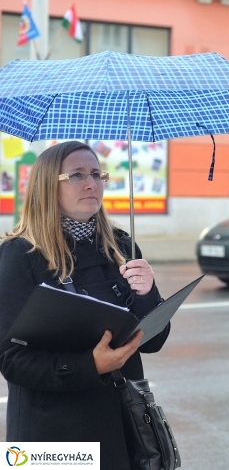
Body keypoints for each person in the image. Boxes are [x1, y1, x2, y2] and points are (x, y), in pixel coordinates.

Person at [0, 141, 168, 470]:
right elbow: (12, 360)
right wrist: (90, 366)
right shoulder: (20, 255)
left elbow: (155, 340)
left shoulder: (121, 244)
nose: (92, 184)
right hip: (51, 436)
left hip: (122, 425)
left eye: (97, 174)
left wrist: (148, 292)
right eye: (77, 175)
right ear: (48, 184)